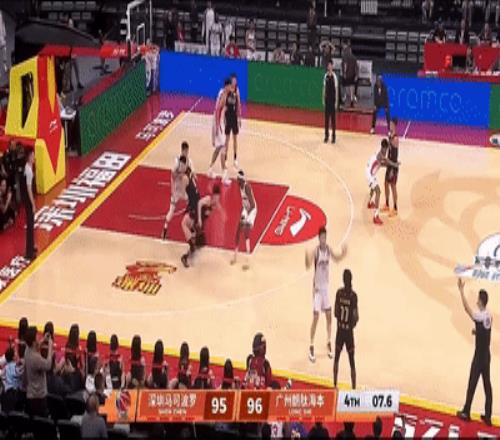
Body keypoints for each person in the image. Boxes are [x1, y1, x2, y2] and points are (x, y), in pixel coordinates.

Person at [305, 226, 347, 363]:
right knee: (316, 317)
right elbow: (308, 266)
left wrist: (344, 253)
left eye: (325, 237)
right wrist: (306, 257)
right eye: (322, 237)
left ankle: (328, 342)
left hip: (325, 289)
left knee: (329, 317)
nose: (323, 239)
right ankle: (311, 345)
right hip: (317, 289)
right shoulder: (316, 252)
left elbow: (337, 258)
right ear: (319, 238)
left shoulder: (328, 250)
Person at [456, 278, 493, 426]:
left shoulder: (479, 315)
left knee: (472, 383)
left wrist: (461, 291)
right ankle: (488, 415)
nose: (476, 301)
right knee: (487, 385)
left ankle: (466, 411)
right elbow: (485, 331)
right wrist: (477, 332)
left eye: (478, 299)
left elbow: (467, 310)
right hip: (486, 356)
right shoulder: (489, 315)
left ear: (481, 302)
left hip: (478, 357)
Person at [180, 178, 221, 268]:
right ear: (214, 195)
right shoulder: (208, 199)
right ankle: (185, 257)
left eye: (218, 198)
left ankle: (190, 252)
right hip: (195, 219)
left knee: (201, 243)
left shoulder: (215, 204)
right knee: (194, 243)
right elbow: (199, 203)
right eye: (216, 197)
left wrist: (223, 215)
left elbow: (216, 210)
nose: (217, 200)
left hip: (199, 223)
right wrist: (199, 219)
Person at [333, 269, 358, 389]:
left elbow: (336, 312)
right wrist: (351, 325)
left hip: (340, 331)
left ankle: (334, 384)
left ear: (343, 280)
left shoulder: (339, 293)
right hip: (348, 333)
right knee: (352, 361)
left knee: (336, 358)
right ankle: (353, 388)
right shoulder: (353, 296)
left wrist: (341, 322)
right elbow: (356, 317)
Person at [162, 142, 193, 239]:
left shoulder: (189, 161)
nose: (186, 152)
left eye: (187, 151)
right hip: (176, 190)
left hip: (183, 190)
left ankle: (191, 227)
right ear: (182, 150)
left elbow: (190, 174)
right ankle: (165, 229)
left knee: (191, 204)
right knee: (171, 210)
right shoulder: (177, 162)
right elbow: (172, 175)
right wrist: (172, 189)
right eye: (185, 151)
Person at [366, 139, 398, 225]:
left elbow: (381, 164)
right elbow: (386, 161)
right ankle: (375, 216)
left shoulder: (380, 153)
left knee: (373, 187)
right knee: (378, 191)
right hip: (370, 174)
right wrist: (394, 164)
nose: (386, 150)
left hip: (371, 172)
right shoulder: (380, 155)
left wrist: (389, 165)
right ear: (383, 148)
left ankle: (369, 203)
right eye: (386, 149)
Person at [231, 171, 257, 270]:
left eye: (238, 179)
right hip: (246, 209)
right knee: (238, 230)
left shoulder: (247, 187)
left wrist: (245, 218)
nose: (237, 181)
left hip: (252, 210)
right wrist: (243, 215)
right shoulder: (240, 186)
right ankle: (235, 256)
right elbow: (244, 203)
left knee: (246, 231)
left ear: (241, 180)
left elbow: (252, 205)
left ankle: (248, 260)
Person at [25, 326, 53, 417]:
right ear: (33, 342)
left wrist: (43, 340)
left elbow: (35, 347)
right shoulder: (35, 358)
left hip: (31, 394)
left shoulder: (27, 350)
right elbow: (48, 365)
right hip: (38, 397)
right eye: (37, 336)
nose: (39, 337)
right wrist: (50, 348)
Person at [208, 79, 231, 183]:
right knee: (223, 147)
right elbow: (218, 110)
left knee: (218, 148)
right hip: (218, 123)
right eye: (229, 86)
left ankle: (210, 169)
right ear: (226, 86)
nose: (230, 88)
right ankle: (224, 175)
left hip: (219, 121)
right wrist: (217, 126)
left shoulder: (222, 92)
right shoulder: (224, 96)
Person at [382, 118, 399, 217]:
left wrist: (389, 137)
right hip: (389, 164)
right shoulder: (391, 135)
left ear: (395, 126)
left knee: (393, 186)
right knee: (385, 183)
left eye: (392, 124)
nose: (390, 126)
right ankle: (387, 204)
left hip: (393, 165)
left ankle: (395, 208)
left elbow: (391, 144)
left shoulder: (395, 139)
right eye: (390, 124)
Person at [21, 148, 36, 260]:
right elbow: (29, 188)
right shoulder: (29, 171)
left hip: (27, 199)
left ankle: (32, 245)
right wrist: (33, 204)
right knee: (30, 225)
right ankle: (29, 252)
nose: (34, 157)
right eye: (33, 155)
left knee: (31, 224)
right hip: (28, 200)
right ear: (29, 156)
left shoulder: (28, 167)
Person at [225, 74, 241, 169]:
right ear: (231, 81)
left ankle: (235, 159)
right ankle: (225, 158)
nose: (235, 82)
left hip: (234, 117)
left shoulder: (237, 90)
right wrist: (223, 117)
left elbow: (239, 104)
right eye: (233, 80)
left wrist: (239, 118)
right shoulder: (227, 90)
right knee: (227, 139)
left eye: (236, 80)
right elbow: (224, 103)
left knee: (235, 138)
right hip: (228, 116)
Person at [323, 60, 339, 144]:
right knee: (326, 119)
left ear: (332, 66)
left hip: (332, 100)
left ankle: (333, 136)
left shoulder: (334, 77)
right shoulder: (325, 76)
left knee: (333, 120)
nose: (329, 67)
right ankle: (326, 136)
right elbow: (324, 88)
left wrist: (336, 101)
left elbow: (336, 89)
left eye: (330, 65)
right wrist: (323, 98)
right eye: (328, 65)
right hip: (327, 99)